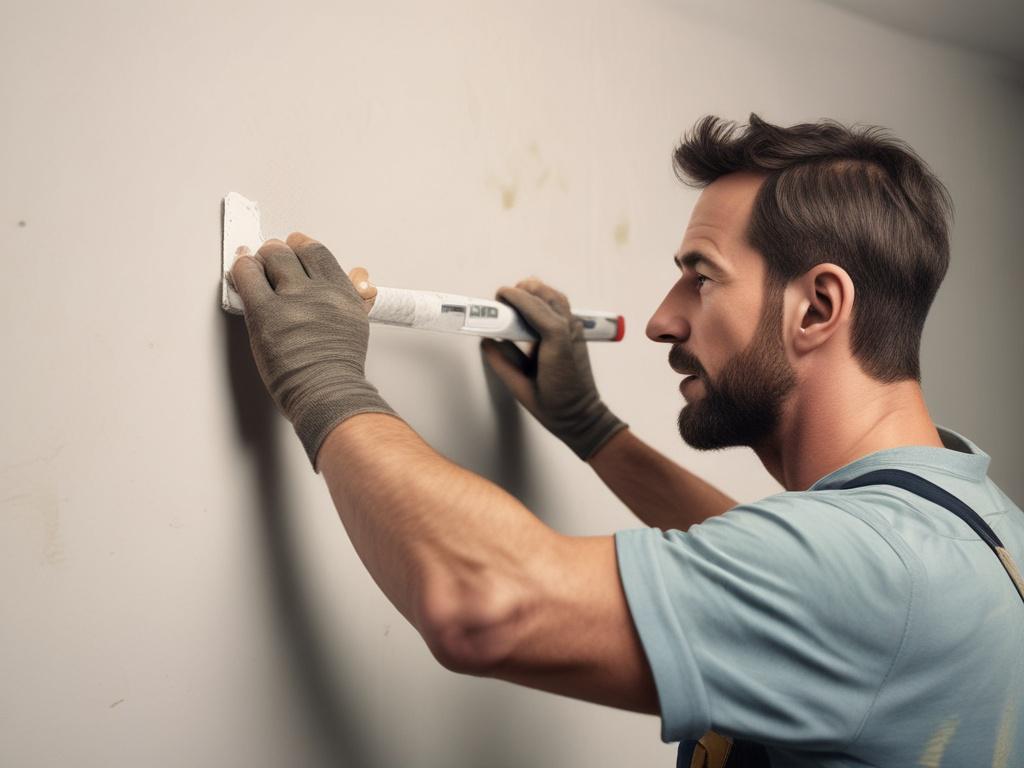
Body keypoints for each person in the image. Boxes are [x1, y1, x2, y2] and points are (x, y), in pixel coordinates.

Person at [228, 114, 1023, 767]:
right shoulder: (964, 525)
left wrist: (323, 380)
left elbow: (483, 606)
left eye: (701, 277)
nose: (660, 321)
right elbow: (786, 575)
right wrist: (593, 431)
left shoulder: (872, 571)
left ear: (816, 308)